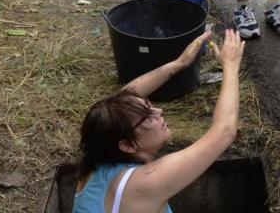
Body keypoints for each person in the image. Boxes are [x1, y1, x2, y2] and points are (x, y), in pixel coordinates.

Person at [73, 29, 244, 213]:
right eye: (147, 116)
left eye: (149, 106)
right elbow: (224, 132)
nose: (159, 111)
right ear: (126, 146)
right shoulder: (145, 183)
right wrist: (230, 67)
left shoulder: (98, 154)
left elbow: (127, 96)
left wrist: (180, 63)